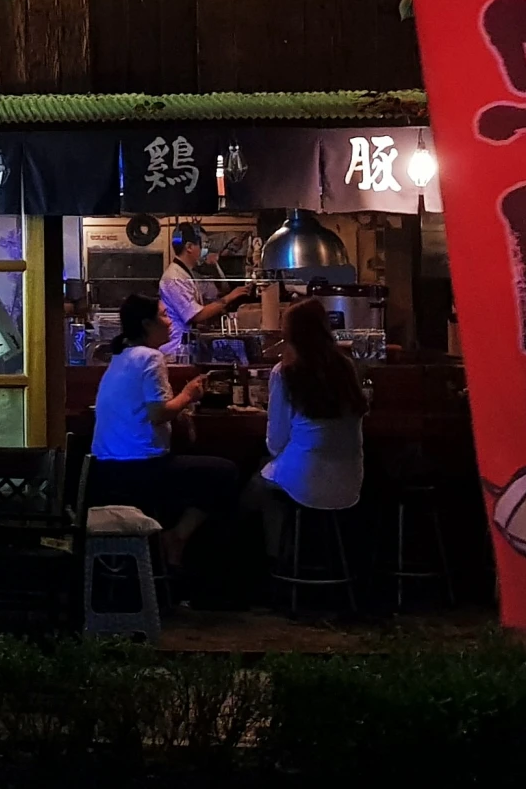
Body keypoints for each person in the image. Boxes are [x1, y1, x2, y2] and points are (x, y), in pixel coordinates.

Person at [88, 292, 245, 578]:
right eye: (163, 315)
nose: (170, 320)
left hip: (106, 469)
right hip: (139, 469)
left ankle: (169, 547)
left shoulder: (121, 357)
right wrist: (189, 395)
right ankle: (178, 541)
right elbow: (158, 413)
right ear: (148, 324)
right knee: (226, 473)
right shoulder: (151, 357)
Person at [257, 296, 369, 559]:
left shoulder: (284, 372)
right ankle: (324, 564)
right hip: (351, 481)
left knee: (253, 491)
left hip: (305, 482)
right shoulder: (346, 367)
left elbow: (275, 442)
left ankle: (278, 568)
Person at [159, 224, 256, 358]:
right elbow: (197, 315)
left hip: (184, 346)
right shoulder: (174, 278)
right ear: (189, 247)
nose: (205, 250)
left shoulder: (186, 273)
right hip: (176, 349)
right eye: (203, 244)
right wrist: (230, 297)